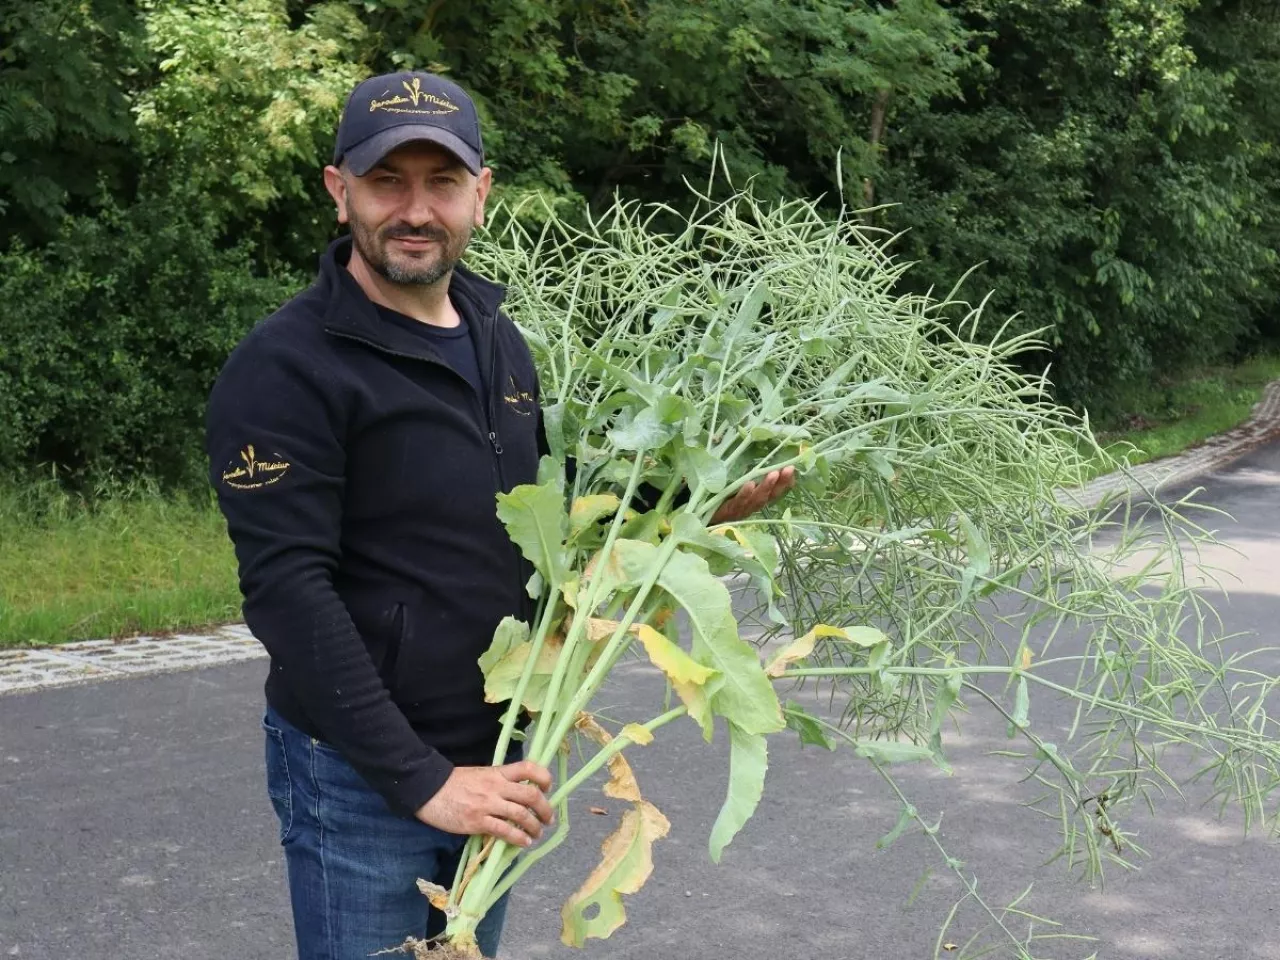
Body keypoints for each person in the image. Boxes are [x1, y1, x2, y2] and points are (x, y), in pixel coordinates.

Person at [206, 70, 794, 960]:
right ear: (339, 192)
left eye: (440, 183)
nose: (415, 210)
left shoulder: (495, 336)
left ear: (480, 195)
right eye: (386, 182)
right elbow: (287, 590)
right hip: (365, 775)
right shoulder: (285, 368)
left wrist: (683, 499)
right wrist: (422, 781)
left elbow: (539, 506)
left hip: (498, 762)